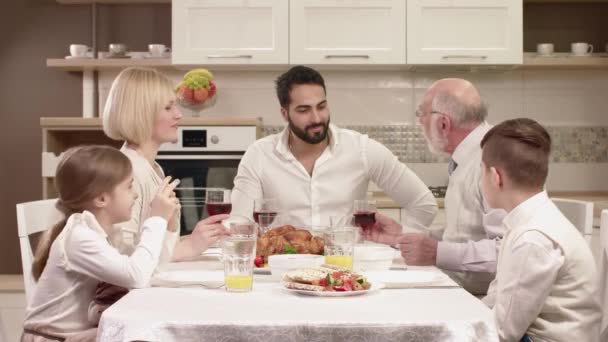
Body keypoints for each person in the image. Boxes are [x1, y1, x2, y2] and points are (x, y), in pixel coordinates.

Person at [230, 65, 437, 229]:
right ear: (285, 114)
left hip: (347, 272)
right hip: (281, 272)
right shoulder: (259, 155)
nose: (317, 118)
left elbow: (423, 204)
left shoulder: (362, 149)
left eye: (321, 106)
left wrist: (402, 240)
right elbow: (240, 224)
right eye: (304, 110)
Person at [22, 145, 179, 341]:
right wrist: (156, 220)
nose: (136, 194)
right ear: (102, 199)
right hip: (53, 339)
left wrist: (167, 226)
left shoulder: (107, 233)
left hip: (77, 335)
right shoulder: (78, 237)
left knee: (150, 328)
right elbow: (136, 275)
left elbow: (149, 270)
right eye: (130, 186)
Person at [366, 78, 504, 295]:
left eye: (422, 114)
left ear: (443, 124)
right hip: (461, 290)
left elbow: (511, 251)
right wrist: (402, 236)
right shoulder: (468, 157)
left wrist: (437, 253)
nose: (419, 121)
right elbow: (463, 235)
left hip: (484, 301)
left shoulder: (494, 159)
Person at [479, 118, 601, 342]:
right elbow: (496, 300)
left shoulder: (532, 239)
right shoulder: (525, 223)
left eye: (481, 170)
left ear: (495, 177)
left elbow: (501, 333)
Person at [102, 67, 229, 263]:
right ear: (142, 113)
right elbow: (123, 256)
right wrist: (190, 247)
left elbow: (156, 244)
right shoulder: (129, 171)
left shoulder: (152, 168)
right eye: (168, 108)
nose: (179, 115)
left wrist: (198, 239)